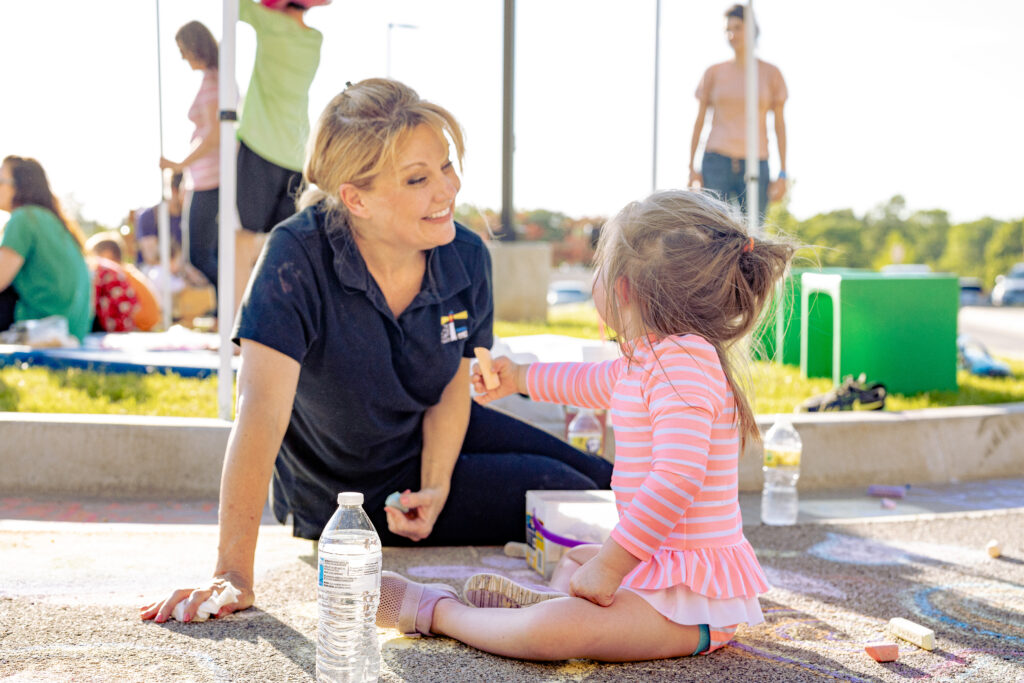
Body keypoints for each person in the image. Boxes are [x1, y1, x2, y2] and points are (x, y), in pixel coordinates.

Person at [139, 78, 612, 624]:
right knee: (568, 495)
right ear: (355, 198)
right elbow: (261, 412)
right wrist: (232, 573)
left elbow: (451, 387)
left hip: (428, 435)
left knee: (599, 481)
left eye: (446, 165)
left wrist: (435, 487)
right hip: (348, 492)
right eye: (417, 178)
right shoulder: (296, 254)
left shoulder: (466, 254)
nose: (447, 190)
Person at [374, 189, 795, 661]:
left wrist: (611, 567)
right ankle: (556, 603)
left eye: (598, 268)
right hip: (661, 568)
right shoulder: (650, 359)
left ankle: (440, 611)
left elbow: (678, 478)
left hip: (694, 608)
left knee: (559, 632)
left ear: (623, 290)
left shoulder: (683, 362)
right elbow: (585, 382)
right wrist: (518, 379)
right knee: (577, 557)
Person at [233, 0, 327, 314]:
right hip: (297, 153)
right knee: (283, 245)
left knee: (242, 242)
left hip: (260, 145)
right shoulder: (314, 40)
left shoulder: (269, 22)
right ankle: (280, 320)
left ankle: (236, 325)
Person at [688, 4, 788, 217]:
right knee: (714, 234)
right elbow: (699, 122)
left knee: (752, 235)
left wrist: (782, 173)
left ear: (752, 29)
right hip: (716, 162)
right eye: (728, 29)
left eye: (738, 27)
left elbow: (779, 126)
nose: (732, 34)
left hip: (756, 162)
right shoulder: (713, 73)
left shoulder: (771, 74)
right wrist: (691, 168)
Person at [159, 20, 226, 294]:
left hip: (211, 178)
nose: (182, 56)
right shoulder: (216, 77)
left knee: (198, 253)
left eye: (183, 49)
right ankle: (226, 309)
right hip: (204, 177)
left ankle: (232, 302)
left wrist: (178, 165)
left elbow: (215, 136)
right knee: (211, 252)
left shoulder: (213, 79)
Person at [0, 155, 93, 341]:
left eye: (1, 181)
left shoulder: (23, 218)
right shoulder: (53, 222)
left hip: (44, 325)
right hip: (75, 328)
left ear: (19, 186)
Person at [134, 172, 184, 267]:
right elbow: (151, 258)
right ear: (174, 191)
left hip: (179, 272)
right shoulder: (150, 216)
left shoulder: (185, 219)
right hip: (153, 271)